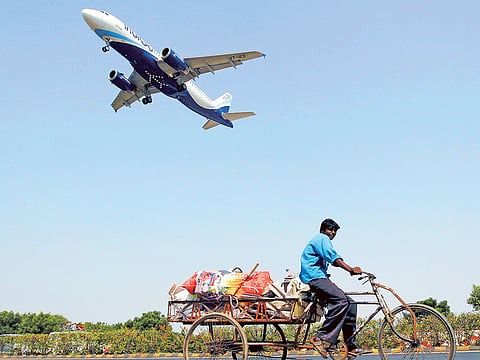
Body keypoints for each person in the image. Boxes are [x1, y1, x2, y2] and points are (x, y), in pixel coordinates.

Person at [299, 219, 363, 359]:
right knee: (341, 300)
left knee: (351, 303)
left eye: (334, 231)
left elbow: (331, 260)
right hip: (314, 277)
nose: (332, 233)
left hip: (321, 278)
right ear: (323, 230)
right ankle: (321, 338)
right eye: (330, 229)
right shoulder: (321, 238)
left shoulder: (323, 240)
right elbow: (334, 258)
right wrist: (350, 269)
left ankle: (349, 345)